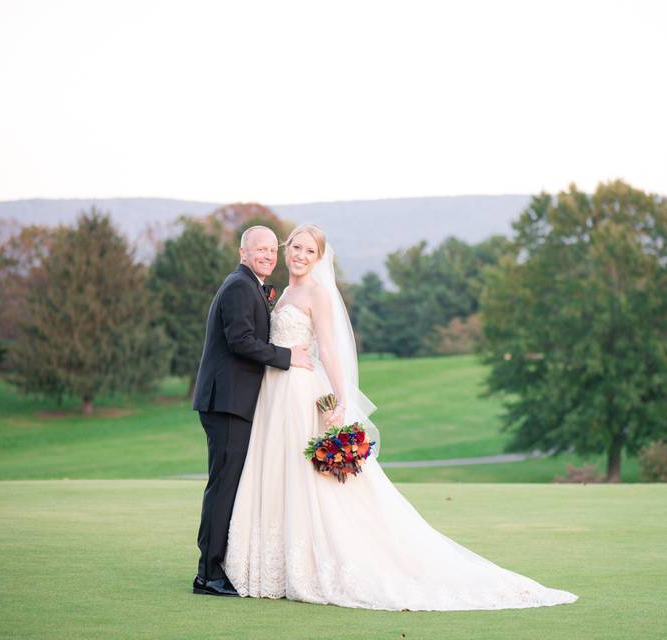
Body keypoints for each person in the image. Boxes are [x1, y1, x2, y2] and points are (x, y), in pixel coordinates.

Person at [221, 223, 578, 610]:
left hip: (299, 391)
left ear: (319, 258)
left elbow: (332, 350)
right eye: (297, 248)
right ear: (286, 249)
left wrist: (340, 399)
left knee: (306, 477)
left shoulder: (319, 294)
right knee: (279, 470)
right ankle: (274, 564)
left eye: (310, 251)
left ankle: (311, 563)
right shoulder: (285, 291)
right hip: (275, 391)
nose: (301, 256)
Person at [190, 225, 313, 597]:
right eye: (258, 249)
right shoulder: (240, 286)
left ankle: (216, 566)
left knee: (227, 483)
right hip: (227, 402)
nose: (267, 255)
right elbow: (241, 341)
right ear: (242, 253)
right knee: (223, 485)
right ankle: (208, 575)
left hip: (233, 400)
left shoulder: (248, 285)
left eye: (271, 250)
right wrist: (288, 357)